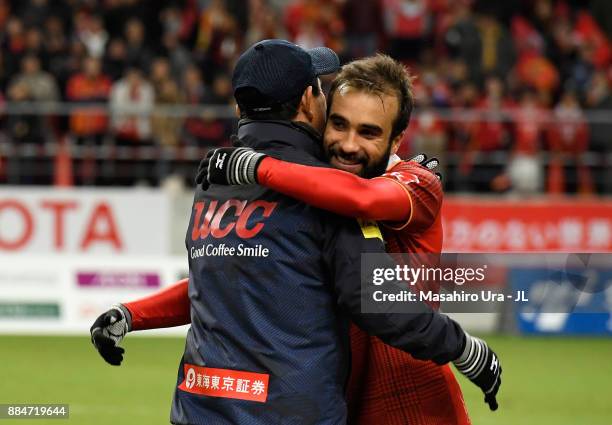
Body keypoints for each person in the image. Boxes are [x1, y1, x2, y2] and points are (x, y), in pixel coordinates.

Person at [91, 41, 501, 424]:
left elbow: (363, 203)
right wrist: (133, 313)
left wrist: (255, 166)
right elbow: (228, 279)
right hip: (317, 402)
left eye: (369, 132)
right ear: (312, 104)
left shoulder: (225, 178)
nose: (348, 144)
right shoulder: (281, 181)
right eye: (338, 123)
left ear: (397, 139)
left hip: (405, 398)